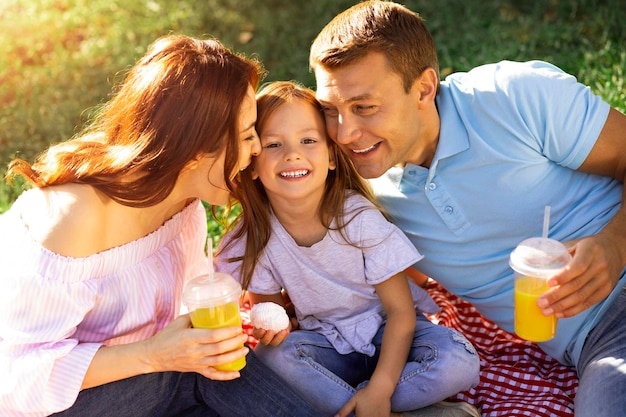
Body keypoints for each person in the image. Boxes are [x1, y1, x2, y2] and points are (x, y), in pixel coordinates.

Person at [309, 1, 626, 416]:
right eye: (330, 111)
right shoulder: (362, 194)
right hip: (601, 339)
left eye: (364, 107)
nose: (345, 133)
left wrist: (616, 243)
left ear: (423, 88)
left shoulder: (513, 97)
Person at [0, 35, 325, 417]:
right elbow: (13, 379)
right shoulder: (73, 219)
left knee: (215, 369)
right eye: (246, 135)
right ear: (192, 149)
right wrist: (156, 355)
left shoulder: (184, 208)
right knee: (201, 371)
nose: (255, 149)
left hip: (137, 390)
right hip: (44, 406)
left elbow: (182, 319)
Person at [216, 81, 480, 417]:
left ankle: (364, 404)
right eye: (273, 144)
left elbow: (401, 315)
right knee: (271, 359)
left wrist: (381, 389)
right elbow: (271, 318)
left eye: (308, 140)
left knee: (459, 361)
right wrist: (273, 326)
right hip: (325, 344)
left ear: (331, 157)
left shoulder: (358, 220)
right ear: (252, 163)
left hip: (390, 337)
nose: (292, 154)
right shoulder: (254, 237)